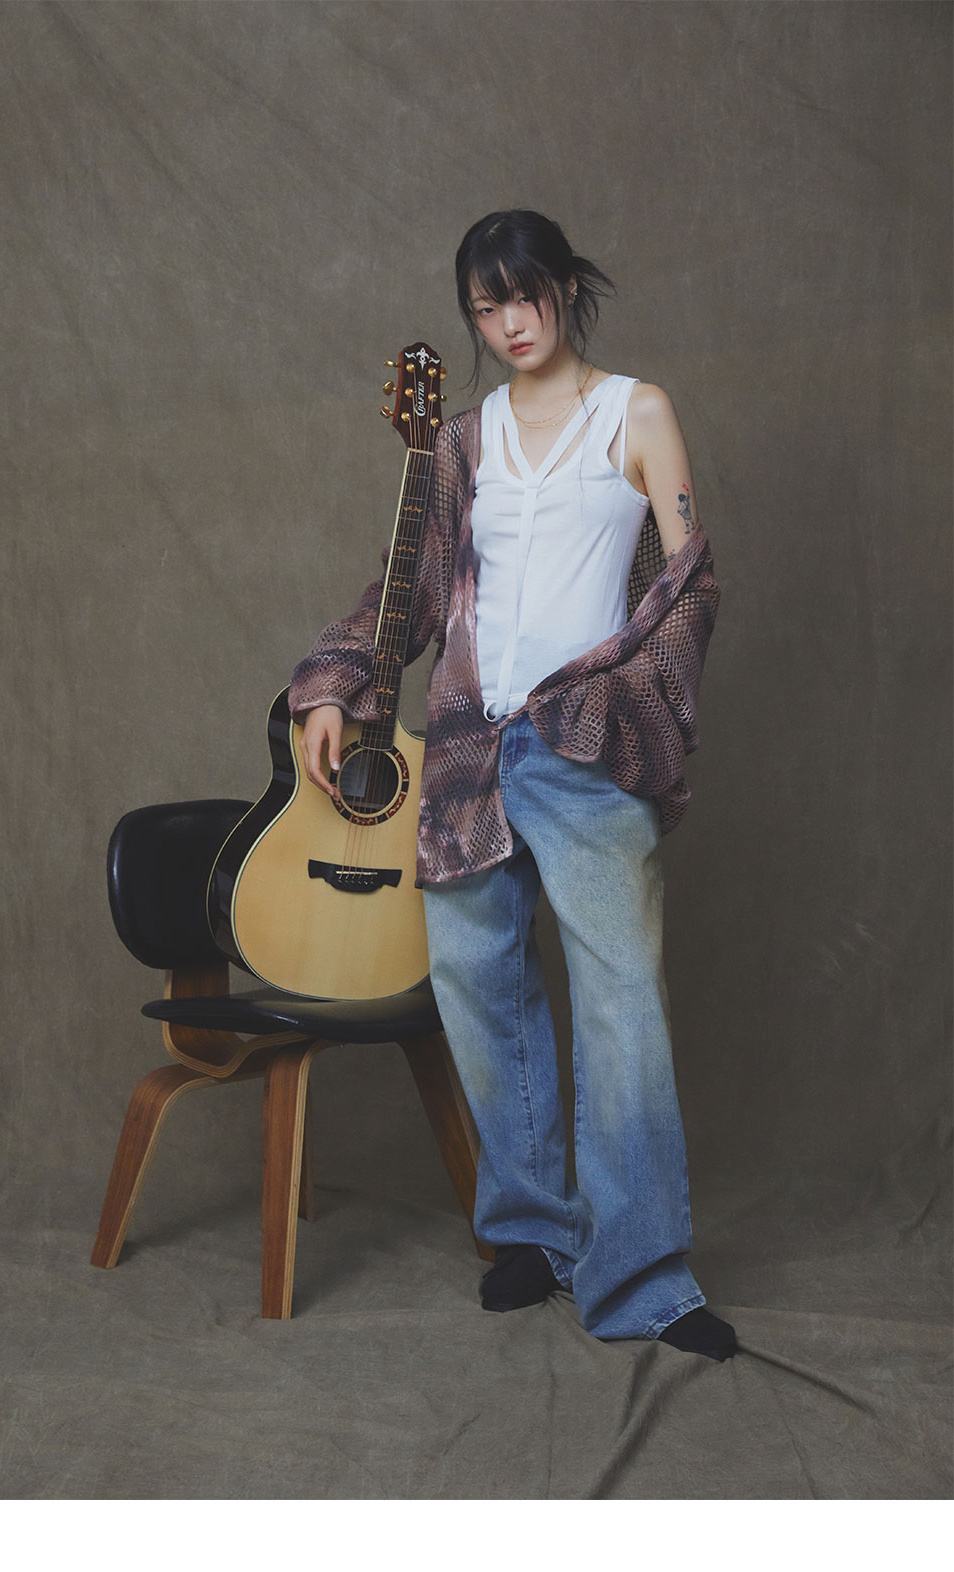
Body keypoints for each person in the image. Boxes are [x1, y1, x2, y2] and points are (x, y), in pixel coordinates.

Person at [289, 210, 737, 1362]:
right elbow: (407, 588)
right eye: (486, 308)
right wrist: (333, 684)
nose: (510, 324)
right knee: (480, 996)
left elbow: (688, 585)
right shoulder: (462, 440)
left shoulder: (635, 411)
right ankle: (534, 1234)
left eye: (525, 296)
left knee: (620, 1006)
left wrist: (620, 702)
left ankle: (645, 1279)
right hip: (464, 754)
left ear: (566, 288)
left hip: (582, 747)